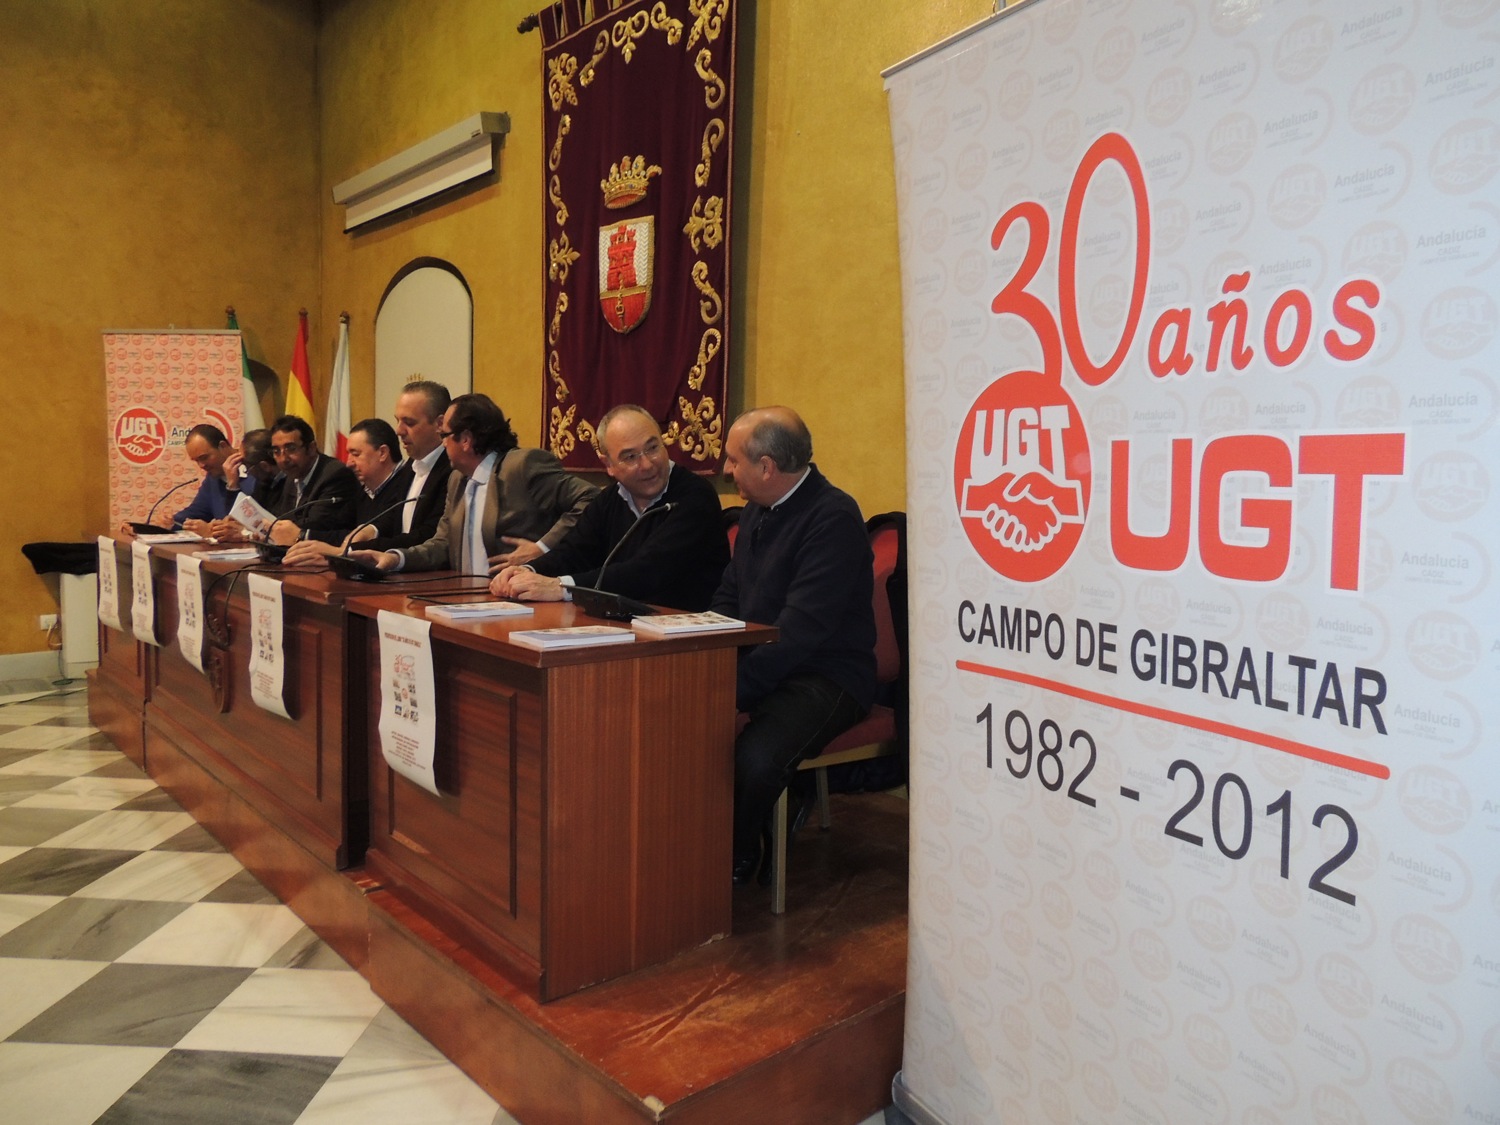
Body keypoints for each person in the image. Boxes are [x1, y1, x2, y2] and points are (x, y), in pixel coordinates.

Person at [711, 406, 876, 885]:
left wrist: (733, 688)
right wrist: (704, 651)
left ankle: (740, 855)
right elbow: (729, 594)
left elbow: (802, 630)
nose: (727, 470)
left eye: (733, 460)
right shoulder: (756, 509)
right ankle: (698, 839)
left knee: (755, 758)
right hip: (768, 662)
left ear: (766, 467)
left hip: (827, 676)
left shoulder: (833, 517)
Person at [491, 404, 729, 609]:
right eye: (630, 457)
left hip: (689, 632)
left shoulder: (696, 497)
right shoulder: (611, 499)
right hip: (627, 627)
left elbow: (647, 572)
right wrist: (527, 571)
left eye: (653, 448)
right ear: (608, 465)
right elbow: (574, 552)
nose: (647, 464)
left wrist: (562, 587)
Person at [357, 393, 596, 575]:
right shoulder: (456, 479)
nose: (442, 444)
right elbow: (443, 544)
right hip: (467, 598)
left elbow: (591, 498)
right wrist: (395, 558)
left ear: (466, 440)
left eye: (444, 436)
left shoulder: (522, 465)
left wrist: (542, 548)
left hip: (520, 598)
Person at [282, 418, 411, 565]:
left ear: (382, 453)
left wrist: (338, 553)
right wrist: (305, 536)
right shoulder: (364, 490)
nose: (349, 463)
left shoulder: (407, 485)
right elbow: (346, 532)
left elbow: (390, 538)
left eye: (356, 454)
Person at [356, 378, 454, 552]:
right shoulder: (411, 464)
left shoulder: (453, 469)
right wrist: (372, 529)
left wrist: (355, 549)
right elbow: (396, 514)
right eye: (398, 421)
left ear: (440, 424)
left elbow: (429, 535)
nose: (399, 431)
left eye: (409, 423)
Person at [262, 415, 362, 545]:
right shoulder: (292, 474)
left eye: (291, 449)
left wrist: (270, 529)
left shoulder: (336, 474)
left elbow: (316, 525)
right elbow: (283, 516)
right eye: (276, 451)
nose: (283, 459)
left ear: (311, 448)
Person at [171, 424, 237, 535]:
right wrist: (171, 523)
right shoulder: (213, 478)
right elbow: (197, 511)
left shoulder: (254, 472)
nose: (201, 465)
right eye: (196, 460)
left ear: (223, 446)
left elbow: (248, 523)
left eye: (204, 457)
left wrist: (210, 531)